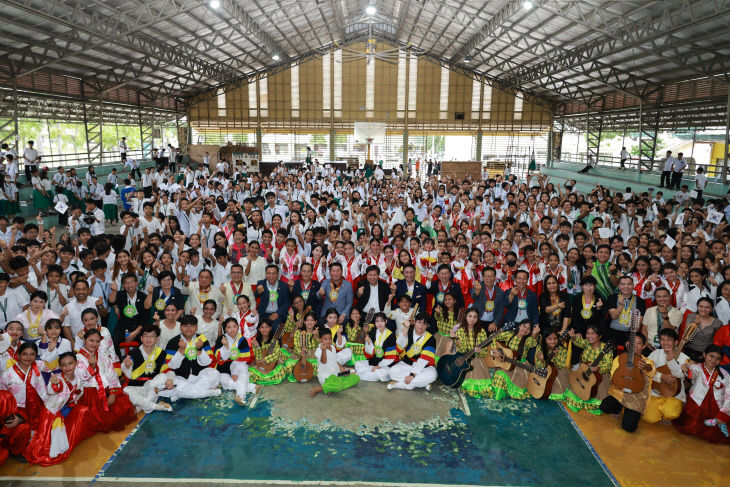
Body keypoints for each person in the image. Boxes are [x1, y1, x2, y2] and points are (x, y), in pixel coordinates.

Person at [75, 329, 137, 432]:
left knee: (123, 410)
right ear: (84, 340)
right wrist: (91, 366)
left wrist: (113, 393)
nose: (95, 344)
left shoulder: (102, 353)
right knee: (99, 421)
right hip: (92, 394)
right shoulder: (78, 357)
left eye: (98, 341)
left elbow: (111, 372)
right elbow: (82, 378)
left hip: (107, 389)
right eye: (91, 340)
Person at [599, 332, 655, 433]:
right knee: (604, 407)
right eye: (633, 343)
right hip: (620, 393)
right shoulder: (620, 358)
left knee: (629, 428)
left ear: (644, 346)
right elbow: (612, 376)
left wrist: (645, 366)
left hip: (636, 398)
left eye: (639, 343)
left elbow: (651, 370)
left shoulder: (647, 361)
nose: (635, 346)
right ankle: (619, 408)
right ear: (628, 344)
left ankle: (629, 411)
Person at [674, 344, 729, 443]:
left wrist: (722, 415)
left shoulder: (725, 375)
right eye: (711, 356)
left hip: (716, 406)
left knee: (715, 432)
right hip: (696, 404)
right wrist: (686, 367)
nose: (713, 360)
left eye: (717, 358)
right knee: (693, 428)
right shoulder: (696, 367)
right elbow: (692, 374)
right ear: (704, 354)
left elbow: (728, 396)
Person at [158, 315, 221, 402]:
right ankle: (208, 392)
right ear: (180, 327)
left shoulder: (201, 340)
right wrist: (181, 351)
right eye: (185, 326)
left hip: (199, 376)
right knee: (169, 382)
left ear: (196, 327)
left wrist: (199, 350)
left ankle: (180, 393)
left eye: (192, 326)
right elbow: (171, 366)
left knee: (215, 373)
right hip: (181, 377)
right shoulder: (173, 342)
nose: (189, 328)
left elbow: (207, 362)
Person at [121, 324, 174, 413]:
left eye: (152, 336)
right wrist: (127, 366)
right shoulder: (134, 352)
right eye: (146, 336)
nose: (148, 339)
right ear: (141, 338)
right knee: (126, 390)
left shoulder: (161, 353)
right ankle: (155, 406)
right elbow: (129, 375)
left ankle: (142, 406)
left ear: (157, 339)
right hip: (137, 386)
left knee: (164, 376)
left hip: (152, 386)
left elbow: (168, 370)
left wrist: (170, 379)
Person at [643, 328, 689, 424]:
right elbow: (647, 370)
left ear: (676, 342)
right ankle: (659, 408)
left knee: (671, 414)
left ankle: (669, 408)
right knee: (649, 418)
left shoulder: (684, 357)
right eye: (662, 340)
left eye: (669, 340)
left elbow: (680, 374)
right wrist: (661, 377)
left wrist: (671, 361)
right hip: (657, 391)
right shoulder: (655, 354)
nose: (665, 343)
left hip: (674, 393)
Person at [387, 312, 437, 391]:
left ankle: (399, 384)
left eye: (424, 324)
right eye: (419, 322)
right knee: (392, 371)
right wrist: (406, 328)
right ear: (414, 322)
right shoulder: (408, 331)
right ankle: (422, 383)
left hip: (423, 367)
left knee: (433, 374)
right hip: (407, 364)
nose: (421, 326)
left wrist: (413, 374)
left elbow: (423, 360)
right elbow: (399, 346)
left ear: (427, 326)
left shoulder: (431, 339)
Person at [215, 317, 257, 406]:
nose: (232, 329)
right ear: (225, 329)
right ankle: (252, 387)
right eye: (229, 327)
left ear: (238, 327)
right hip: (224, 369)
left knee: (243, 368)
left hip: (238, 368)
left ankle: (240, 396)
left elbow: (244, 358)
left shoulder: (242, 340)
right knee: (222, 380)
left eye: (234, 326)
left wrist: (235, 372)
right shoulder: (221, 339)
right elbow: (220, 358)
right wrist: (226, 346)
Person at [309, 327, 360, 397]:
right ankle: (318, 389)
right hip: (327, 377)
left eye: (330, 338)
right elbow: (324, 361)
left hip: (337, 374)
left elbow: (335, 360)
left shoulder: (332, 347)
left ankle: (330, 387)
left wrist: (342, 370)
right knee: (339, 386)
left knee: (356, 378)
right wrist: (323, 350)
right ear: (320, 340)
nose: (328, 341)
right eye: (325, 339)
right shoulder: (319, 350)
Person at [354, 312, 397, 382]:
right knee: (358, 363)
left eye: (382, 321)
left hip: (384, 365)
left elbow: (391, 357)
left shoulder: (391, 336)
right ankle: (359, 373)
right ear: (375, 323)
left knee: (381, 373)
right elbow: (369, 354)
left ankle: (355, 374)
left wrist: (379, 366)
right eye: (377, 321)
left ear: (386, 321)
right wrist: (368, 343)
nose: (379, 323)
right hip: (373, 361)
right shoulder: (373, 332)